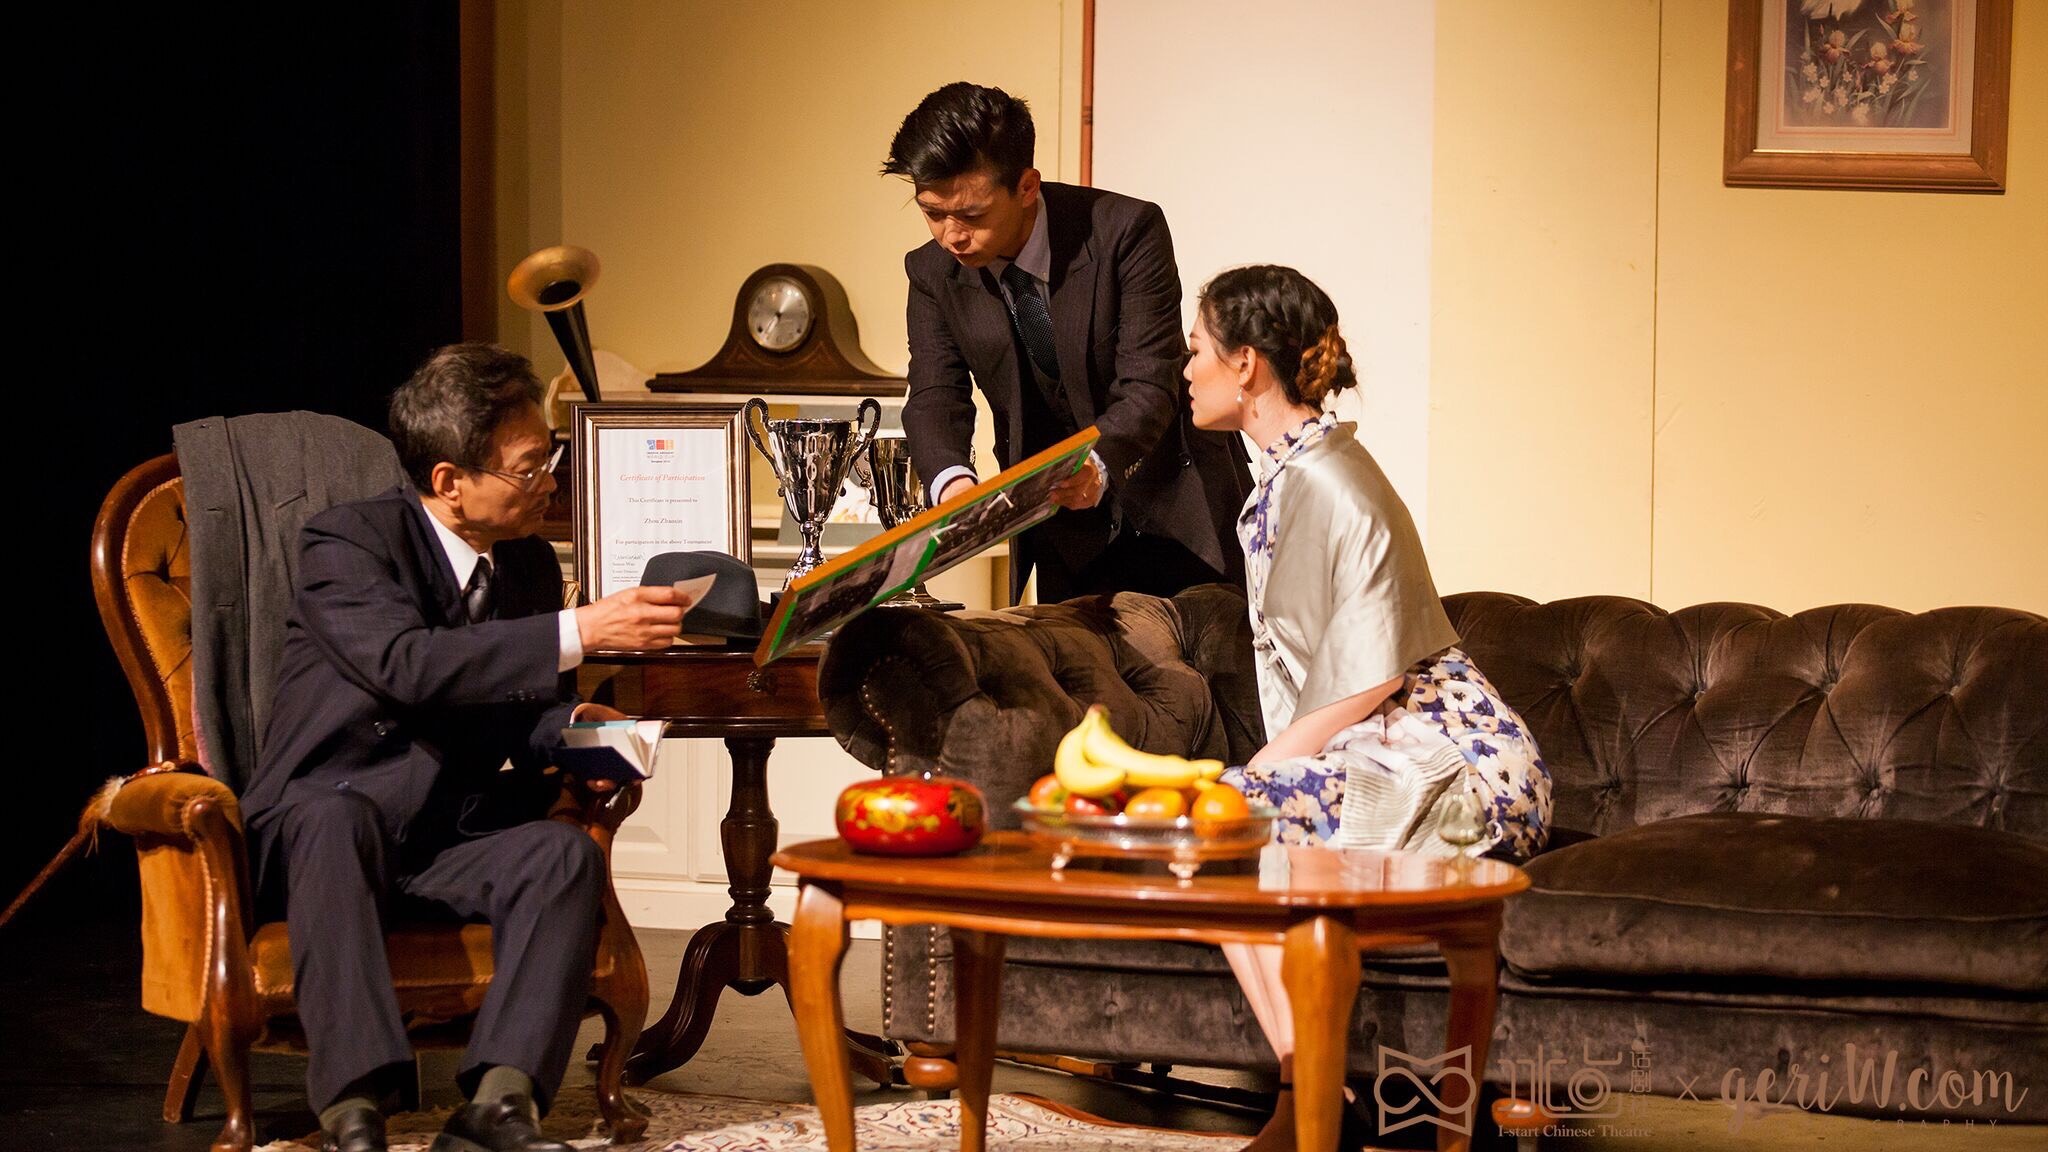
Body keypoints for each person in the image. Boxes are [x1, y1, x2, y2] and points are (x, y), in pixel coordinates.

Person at [241, 344, 693, 1152]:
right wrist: (578, 629)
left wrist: (589, 731)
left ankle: (500, 1103)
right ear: (450, 483)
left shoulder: (521, 562)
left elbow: (524, 710)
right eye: (529, 466)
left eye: (550, 454)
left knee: (563, 859)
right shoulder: (346, 544)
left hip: (444, 833)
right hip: (326, 827)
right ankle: (354, 1108)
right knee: (336, 822)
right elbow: (406, 666)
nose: (550, 477)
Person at [1182, 266, 1551, 1149]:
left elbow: (1373, 675)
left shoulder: (1332, 482)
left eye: (1196, 349)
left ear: (1245, 365)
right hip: (1386, 757)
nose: (1183, 367)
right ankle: (1310, 1097)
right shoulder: (1290, 473)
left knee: (1222, 817)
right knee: (1218, 826)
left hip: (1460, 775)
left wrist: (1265, 772)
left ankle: (1308, 1103)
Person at [885, 81, 1250, 604]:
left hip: (1174, 507)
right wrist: (952, 485)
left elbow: (1151, 381)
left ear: (1028, 186)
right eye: (931, 212)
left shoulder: (1126, 230)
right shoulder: (931, 271)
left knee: (1204, 677)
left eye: (971, 215)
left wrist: (1098, 464)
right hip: (1063, 531)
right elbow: (934, 394)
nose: (951, 236)